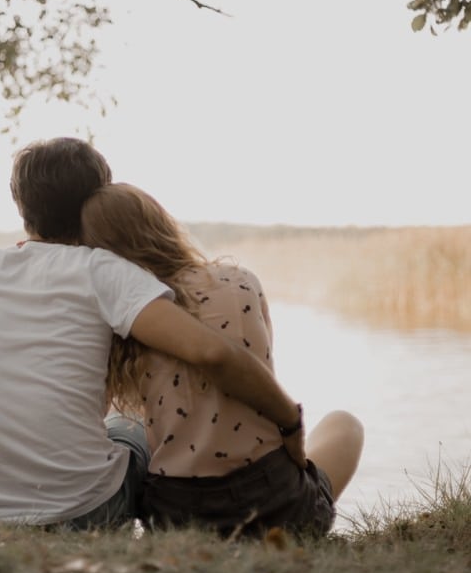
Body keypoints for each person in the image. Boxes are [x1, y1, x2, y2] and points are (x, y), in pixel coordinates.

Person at [0, 137, 309, 529]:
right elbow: (210, 353)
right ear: (96, 197)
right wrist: (290, 421)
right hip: (83, 513)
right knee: (127, 420)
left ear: (19, 202)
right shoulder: (102, 270)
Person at [80, 182, 364, 537]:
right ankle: (301, 518)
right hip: (275, 501)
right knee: (345, 424)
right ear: (161, 224)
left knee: (127, 421)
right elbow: (261, 371)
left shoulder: (122, 317)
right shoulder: (240, 280)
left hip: (175, 512)